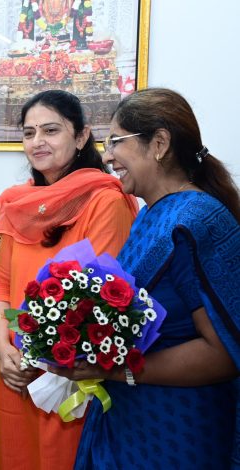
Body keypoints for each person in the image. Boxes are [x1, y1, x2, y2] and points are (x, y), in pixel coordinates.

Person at [51, 88, 240, 469]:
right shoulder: (151, 215)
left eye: (116, 142)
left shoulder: (196, 221)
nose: (107, 156)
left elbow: (223, 353)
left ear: (159, 144)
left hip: (177, 429)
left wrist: (113, 369)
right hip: (133, 417)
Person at [0, 89, 138, 469]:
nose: (37, 141)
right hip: (14, 369)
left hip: (68, 372)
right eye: (29, 133)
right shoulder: (18, 204)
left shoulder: (105, 200)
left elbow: (99, 301)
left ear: (82, 136)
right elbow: (1, 281)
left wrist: (39, 356)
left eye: (51, 130)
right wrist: (3, 347)